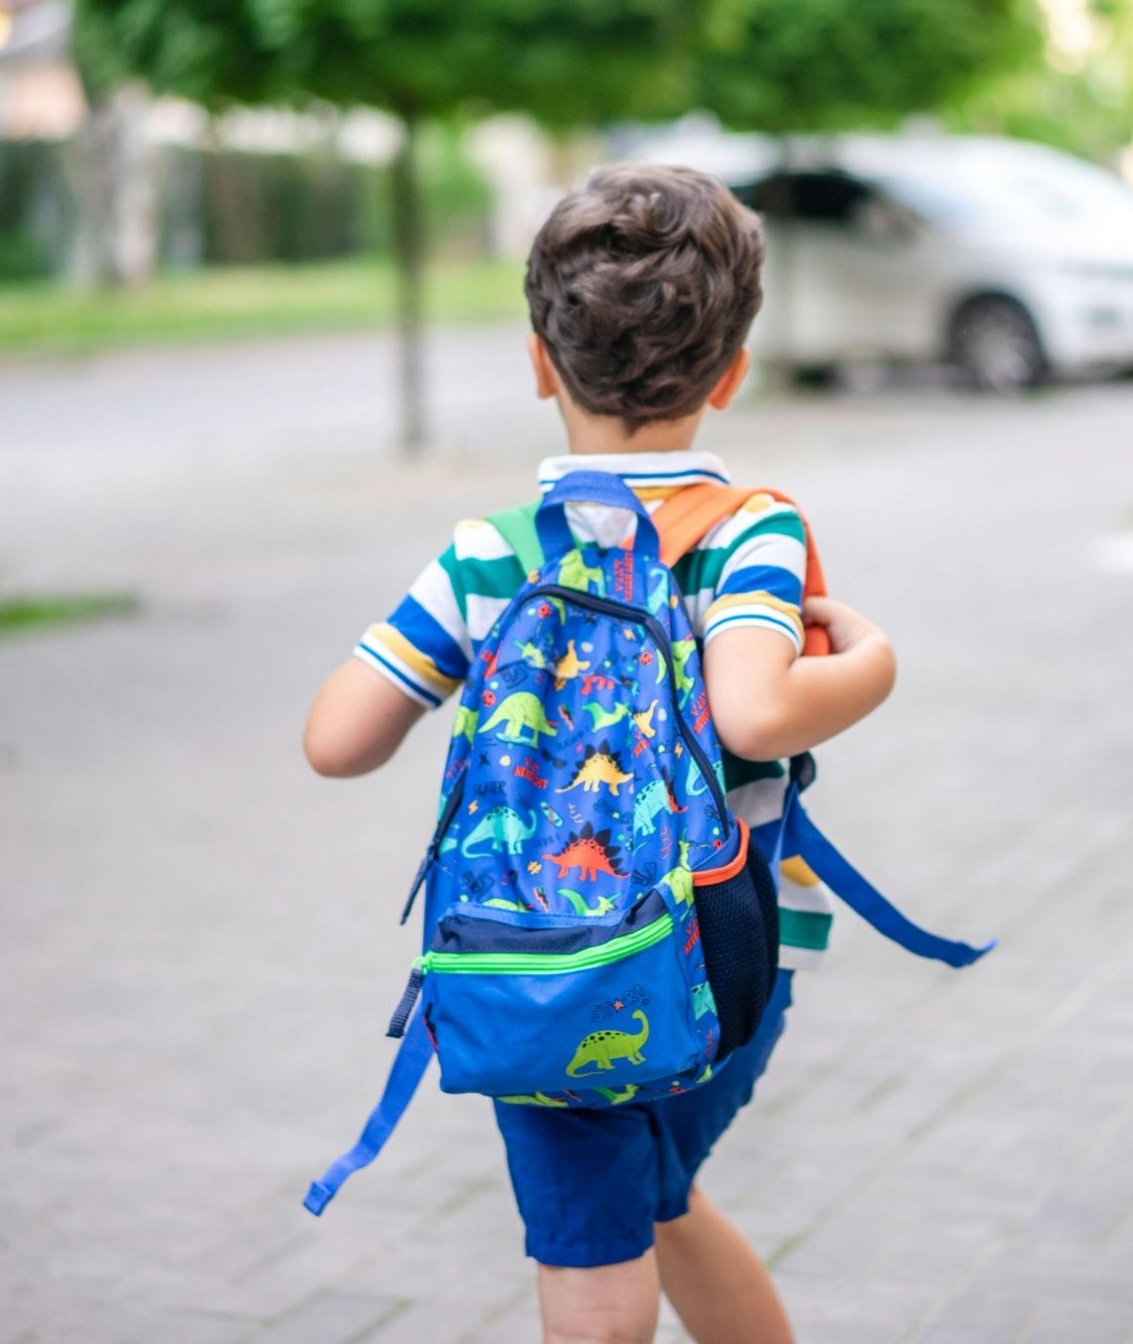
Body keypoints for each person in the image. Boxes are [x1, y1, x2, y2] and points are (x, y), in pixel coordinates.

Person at [302, 163, 898, 1344]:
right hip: (727, 963)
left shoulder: (489, 553)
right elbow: (755, 716)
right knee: (657, 1197)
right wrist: (874, 663)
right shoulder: (750, 534)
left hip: (533, 966)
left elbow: (334, 742)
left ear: (538, 362)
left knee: (594, 1275)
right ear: (730, 374)